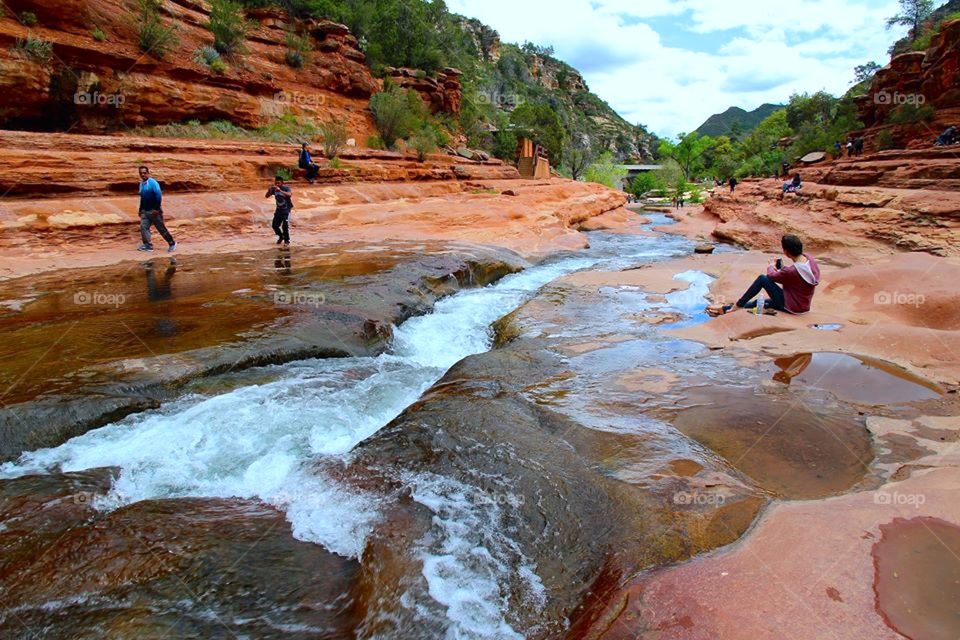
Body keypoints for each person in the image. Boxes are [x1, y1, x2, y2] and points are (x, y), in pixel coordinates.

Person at [707, 234, 820, 316]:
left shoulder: (791, 271)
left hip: (792, 306)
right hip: (803, 305)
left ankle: (738, 305)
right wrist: (781, 269)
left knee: (763, 279)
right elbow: (792, 277)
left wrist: (771, 266)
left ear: (786, 252)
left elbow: (771, 277)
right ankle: (726, 309)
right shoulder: (809, 259)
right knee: (759, 303)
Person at [137, 166, 176, 252]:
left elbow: (158, 196)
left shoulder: (153, 183)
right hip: (145, 211)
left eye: (144, 173)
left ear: (148, 173)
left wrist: (156, 209)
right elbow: (142, 198)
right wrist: (140, 210)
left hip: (154, 211)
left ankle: (172, 243)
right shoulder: (141, 184)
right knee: (144, 227)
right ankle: (148, 246)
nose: (143, 175)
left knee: (161, 228)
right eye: (141, 173)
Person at [266, 175, 293, 245]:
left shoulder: (286, 188)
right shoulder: (274, 189)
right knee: (274, 225)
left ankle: (287, 241)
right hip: (279, 210)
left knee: (285, 225)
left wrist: (280, 190)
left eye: (278, 183)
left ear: (282, 183)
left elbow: (289, 195)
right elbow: (266, 196)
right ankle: (281, 236)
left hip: (286, 210)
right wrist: (269, 190)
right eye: (276, 183)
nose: (277, 184)